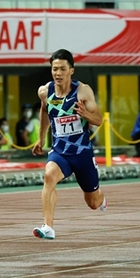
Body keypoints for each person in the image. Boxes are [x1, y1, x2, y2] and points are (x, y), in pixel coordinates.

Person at [31, 48, 107, 240]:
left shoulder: (83, 91)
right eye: (54, 69)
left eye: (62, 69)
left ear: (71, 70)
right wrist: (41, 137)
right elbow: (44, 111)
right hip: (60, 151)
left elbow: (98, 120)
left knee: (93, 203)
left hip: (82, 153)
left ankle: (101, 199)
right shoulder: (44, 91)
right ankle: (48, 226)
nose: (58, 73)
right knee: (49, 177)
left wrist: (85, 114)